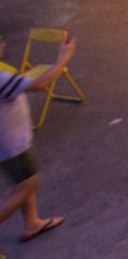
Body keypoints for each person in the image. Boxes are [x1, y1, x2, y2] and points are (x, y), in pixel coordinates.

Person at [0, 32, 75, 243]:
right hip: (11, 146)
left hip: (11, 143)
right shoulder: (1, 78)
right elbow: (40, 83)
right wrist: (64, 57)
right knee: (28, 185)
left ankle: (31, 223)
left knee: (25, 180)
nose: (2, 44)